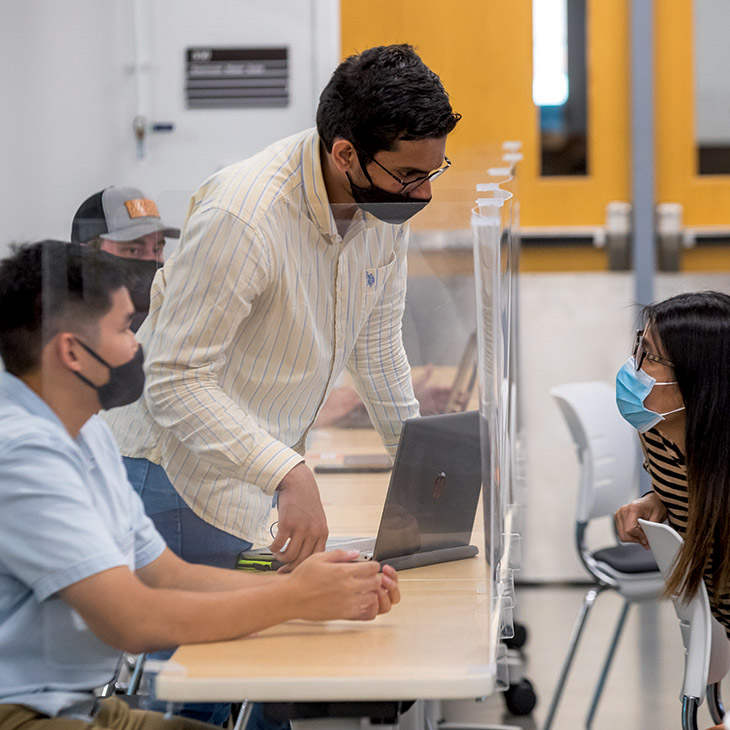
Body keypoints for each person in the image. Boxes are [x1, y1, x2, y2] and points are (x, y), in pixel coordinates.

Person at [0, 241, 400, 730]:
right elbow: (133, 620)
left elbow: (167, 575)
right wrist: (295, 600)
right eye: (126, 328)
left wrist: (312, 592)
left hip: (74, 706)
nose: (138, 346)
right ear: (71, 352)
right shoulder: (22, 454)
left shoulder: (86, 434)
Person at [105, 44, 461, 575]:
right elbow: (174, 378)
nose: (423, 192)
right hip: (174, 476)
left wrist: (416, 467)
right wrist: (288, 473)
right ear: (345, 155)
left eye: (433, 172)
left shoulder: (381, 208)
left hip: (251, 476)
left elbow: (377, 348)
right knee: (187, 655)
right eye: (410, 175)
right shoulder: (244, 216)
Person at [613, 291, 730, 639]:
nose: (633, 365)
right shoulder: (656, 431)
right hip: (716, 622)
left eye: (649, 357)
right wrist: (660, 498)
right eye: (639, 347)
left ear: (698, 383)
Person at [71, 186, 179, 330]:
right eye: (133, 250)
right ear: (85, 256)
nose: (151, 260)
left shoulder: (174, 326)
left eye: (157, 250)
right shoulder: (66, 333)